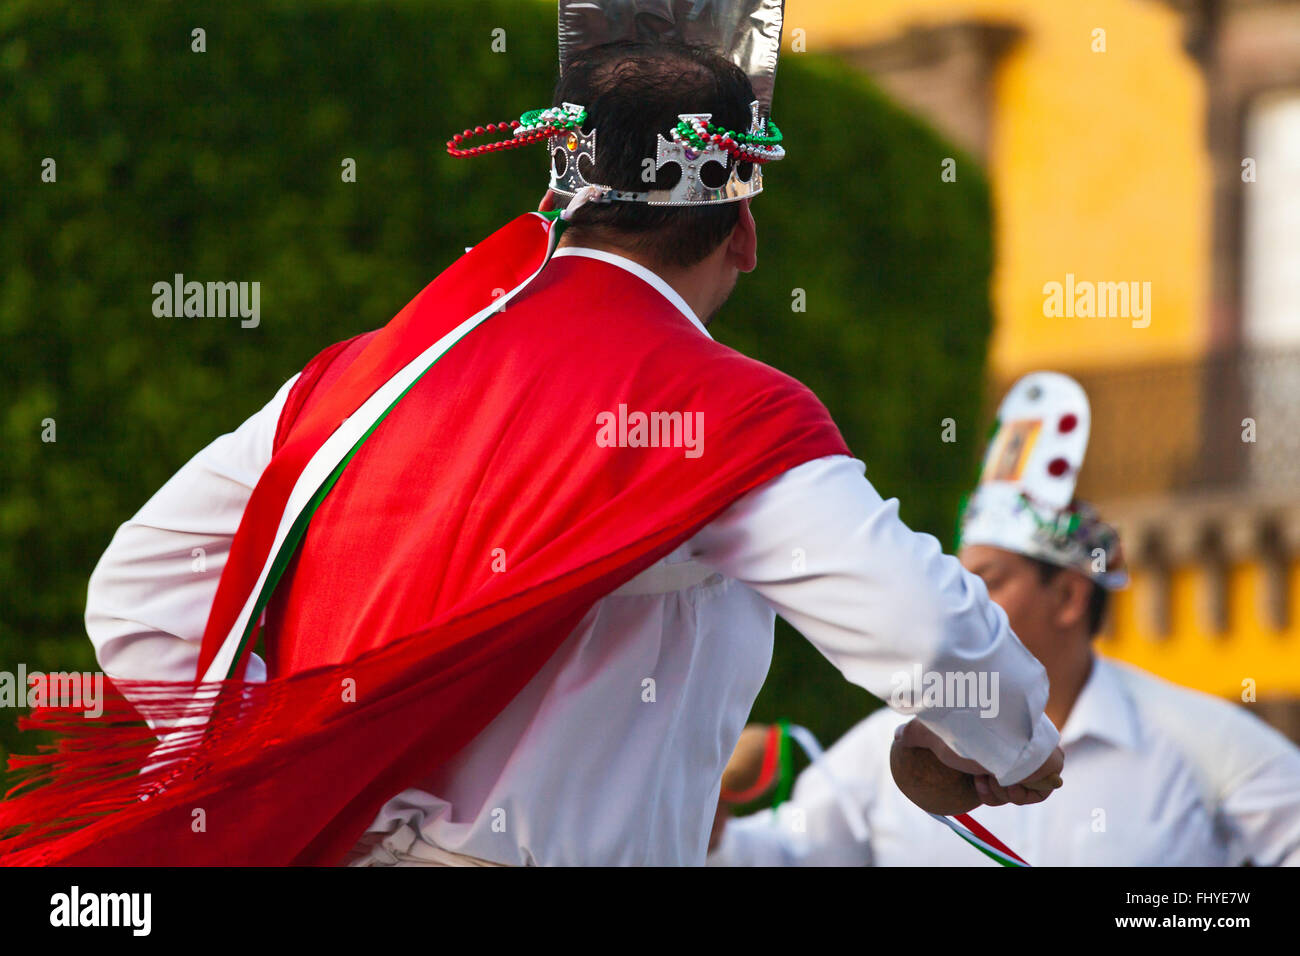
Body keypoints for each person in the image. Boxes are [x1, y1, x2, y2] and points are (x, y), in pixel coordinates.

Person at [1, 4, 1061, 867]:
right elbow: (929, 634)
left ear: (555, 194)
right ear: (742, 229)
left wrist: (304, 763)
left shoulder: (358, 374)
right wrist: (1007, 743)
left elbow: (137, 588)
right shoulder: (730, 415)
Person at [710, 372, 1300, 866]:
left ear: (1068, 596)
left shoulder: (1201, 741)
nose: (963, 598)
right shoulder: (881, 750)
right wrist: (705, 817)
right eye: (960, 577)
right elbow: (777, 856)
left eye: (989, 579)